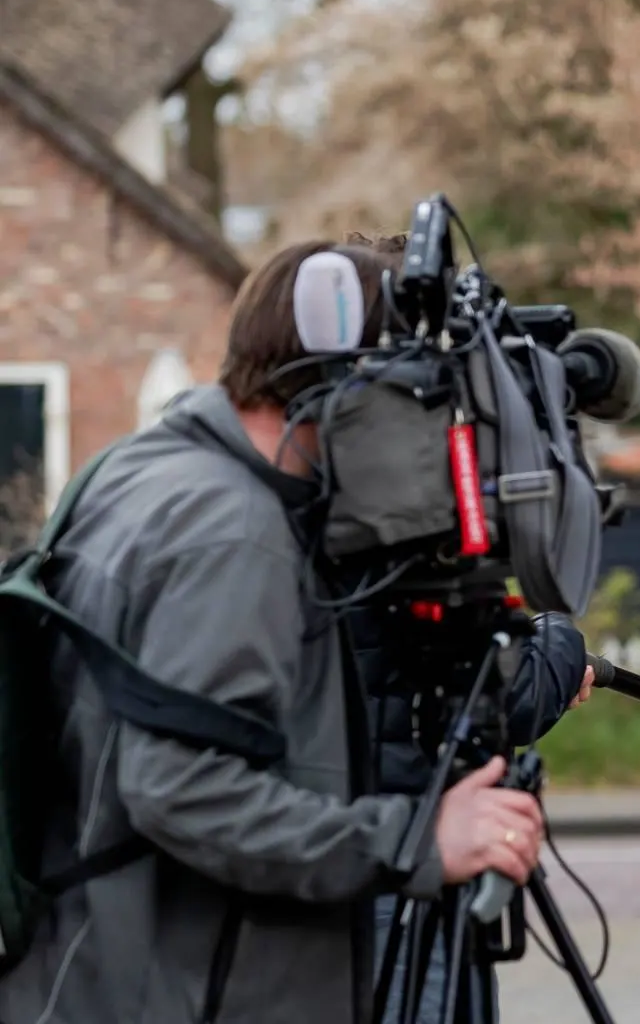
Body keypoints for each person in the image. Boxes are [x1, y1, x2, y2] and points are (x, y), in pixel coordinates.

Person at [0, 240, 547, 1024]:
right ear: (353, 383)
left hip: (102, 975)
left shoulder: (141, 469)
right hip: (180, 993)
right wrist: (416, 840)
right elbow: (181, 790)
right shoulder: (235, 534)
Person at [341, 229, 596, 1023]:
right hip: (408, 871)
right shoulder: (407, 503)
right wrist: (559, 640)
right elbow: (505, 693)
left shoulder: (295, 472)